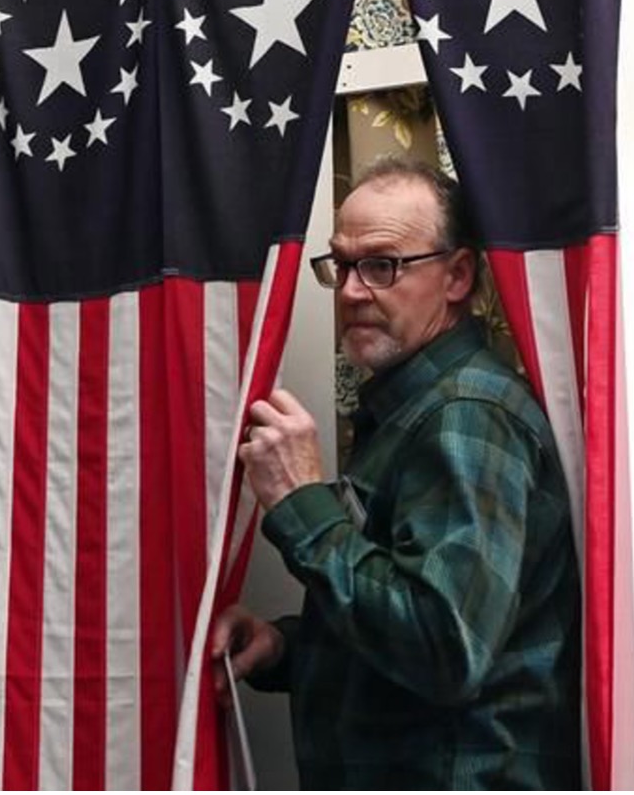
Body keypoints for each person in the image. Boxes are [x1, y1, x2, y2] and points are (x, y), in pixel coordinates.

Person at [212, 157, 582, 789]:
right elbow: (408, 634)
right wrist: (286, 647)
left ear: (458, 275)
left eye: (383, 265)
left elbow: (445, 649)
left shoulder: (467, 413)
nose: (353, 291)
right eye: (343, 265)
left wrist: (303, 502)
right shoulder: (415, 405)